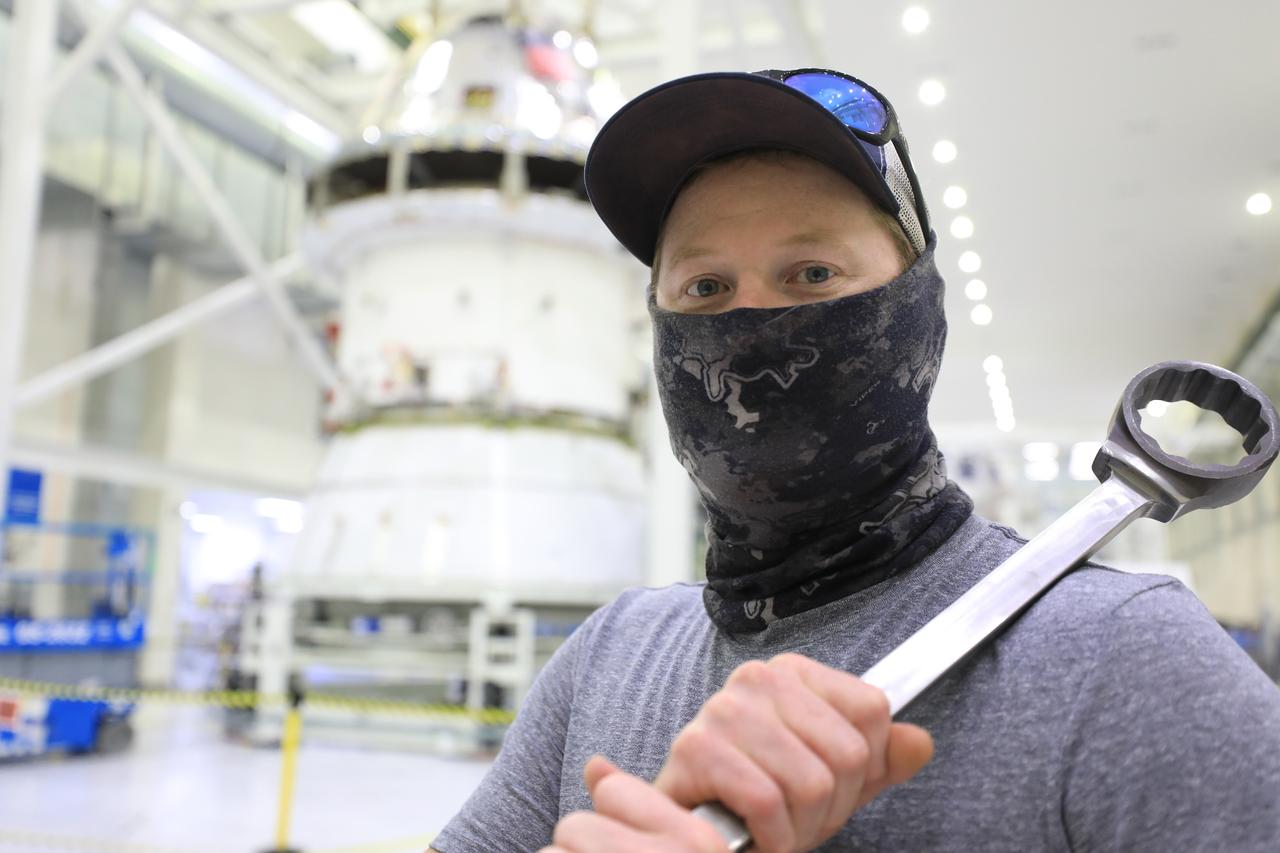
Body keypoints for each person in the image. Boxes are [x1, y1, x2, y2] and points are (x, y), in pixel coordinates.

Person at [431, 69, 1280, 852]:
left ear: (922, 309)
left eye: (811, 271)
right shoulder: (608, 656)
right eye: (705, 289)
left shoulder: (1124, 661)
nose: (752, 323)